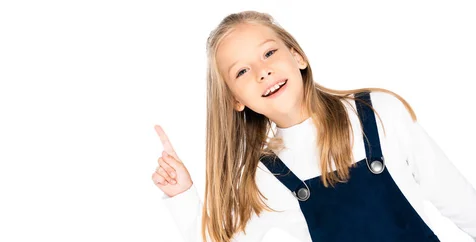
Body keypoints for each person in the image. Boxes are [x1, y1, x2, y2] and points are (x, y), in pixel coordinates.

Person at [151, 10, 476, 242]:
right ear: (235, 100)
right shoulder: (263, 177)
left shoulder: (377, 113)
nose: (262, 71)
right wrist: (182, 194)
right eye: (241, 72)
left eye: (268, 53)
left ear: (297, 56)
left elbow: (459, 201)